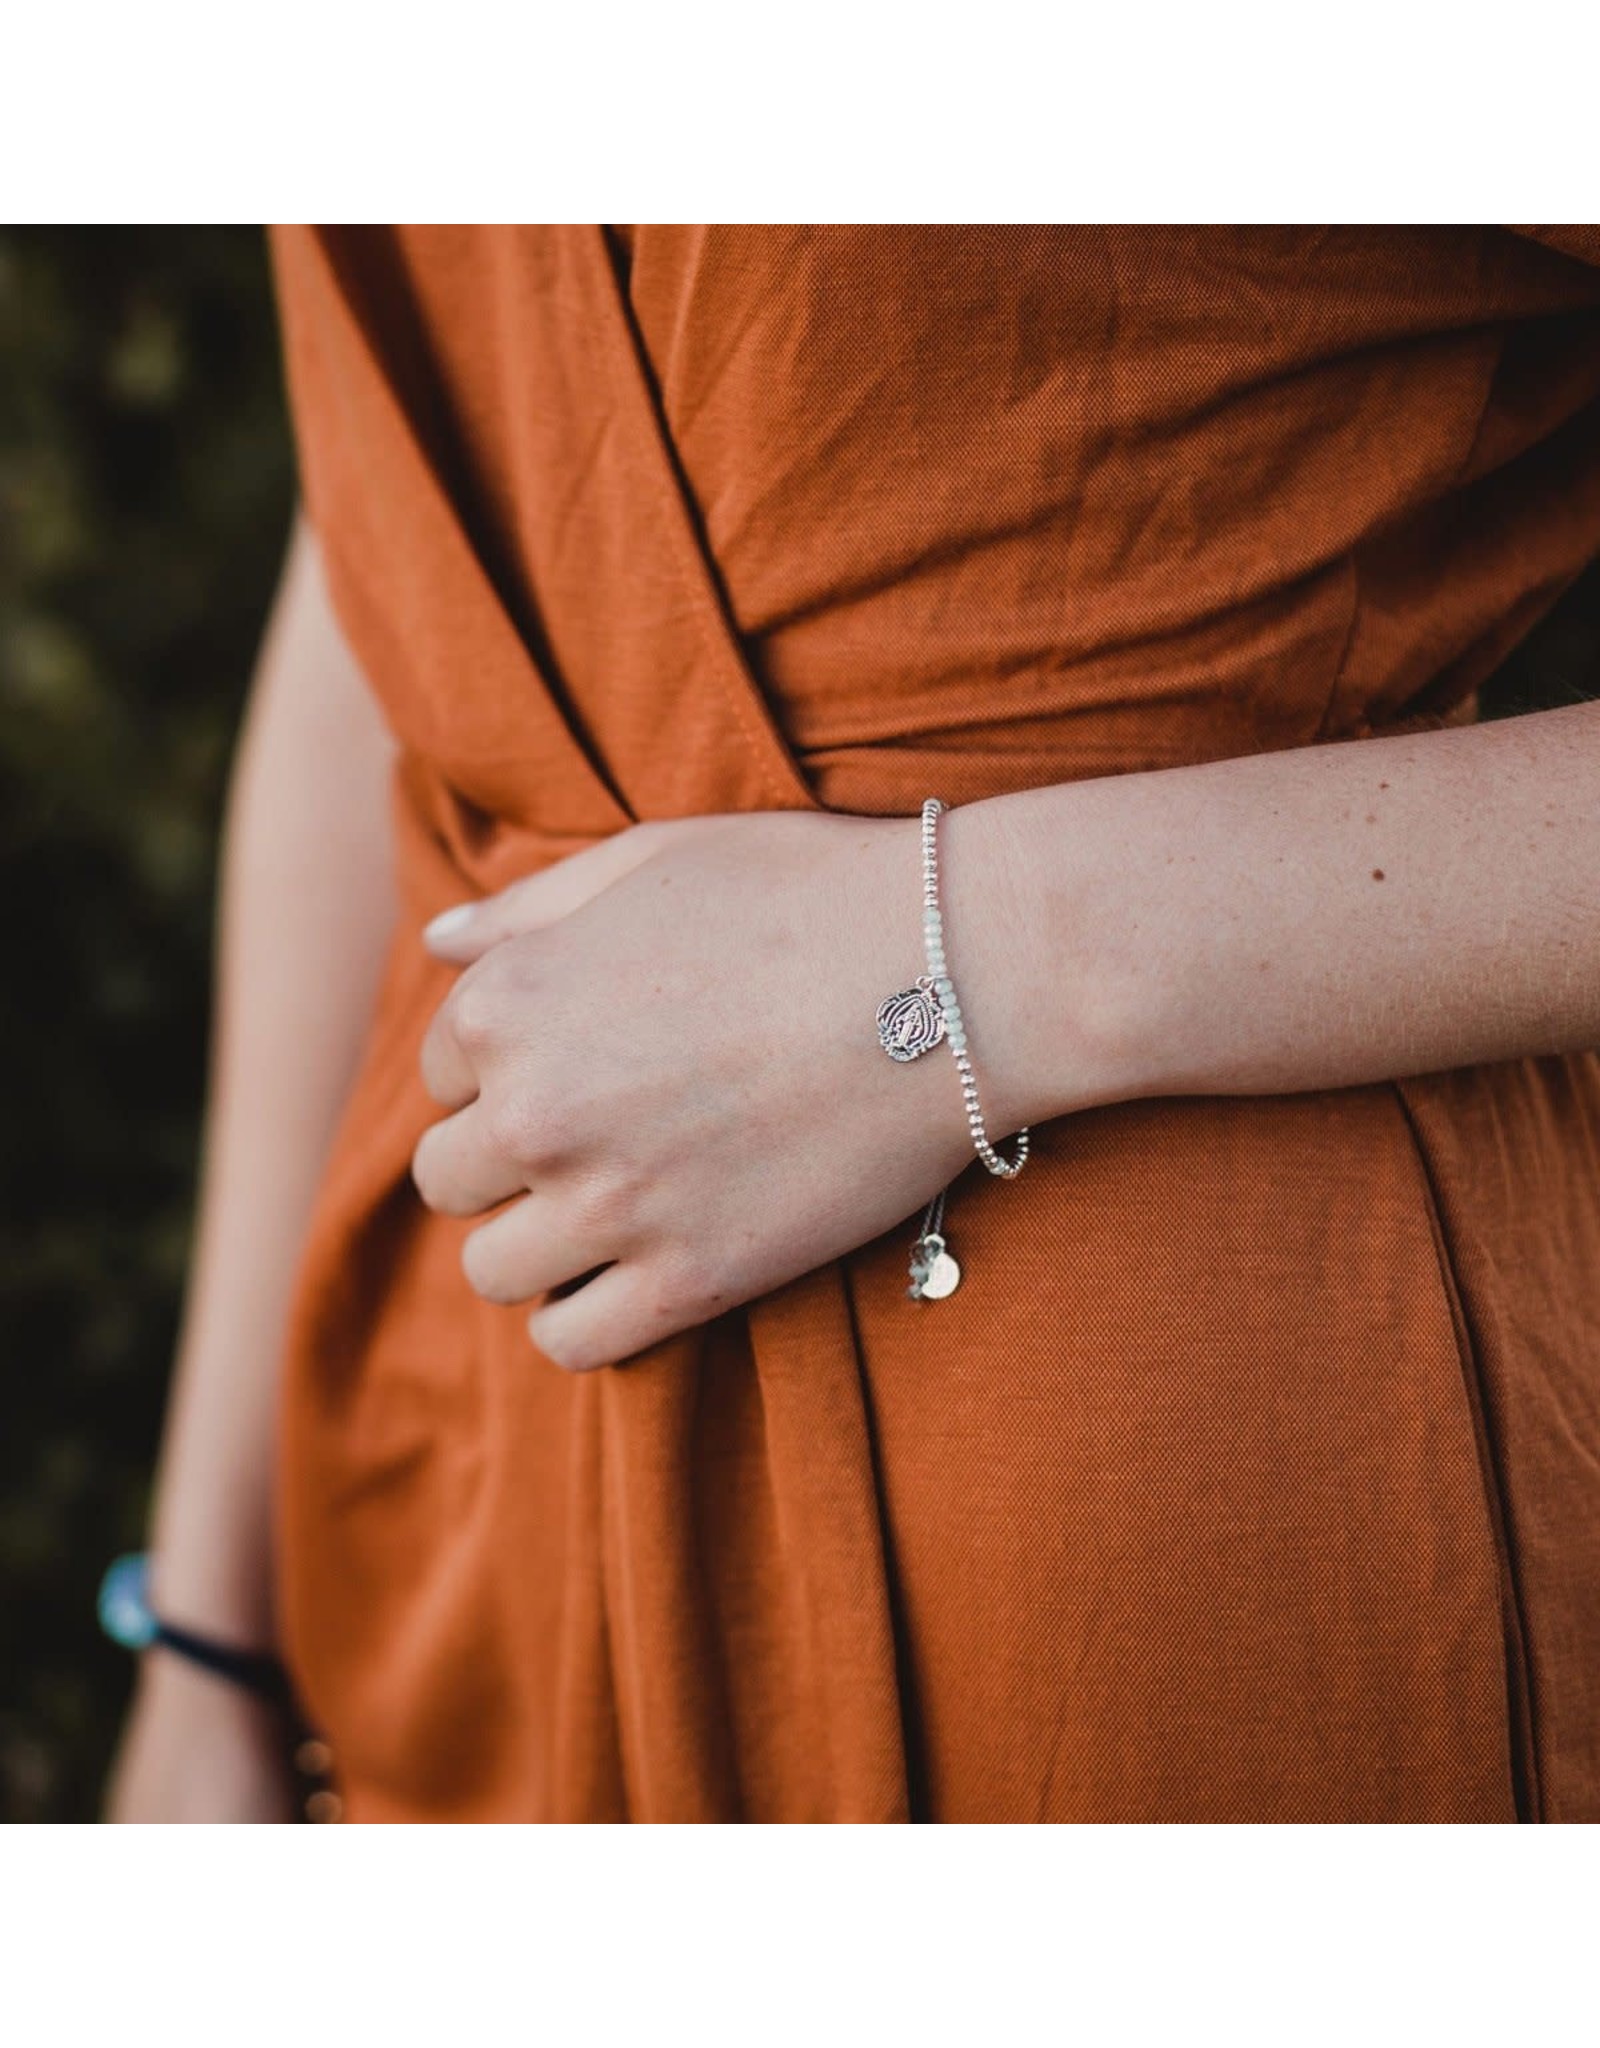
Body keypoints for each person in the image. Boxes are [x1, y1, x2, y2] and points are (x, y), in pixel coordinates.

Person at [107, 225, 1600, 1823]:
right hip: (462, 1519)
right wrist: (213, 1625)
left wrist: (990, 954)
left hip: (1172, 1557)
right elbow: (399, 543)